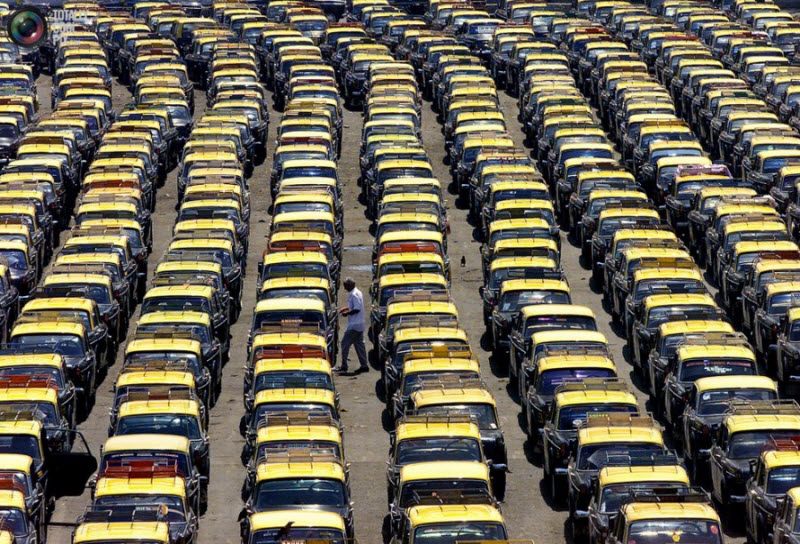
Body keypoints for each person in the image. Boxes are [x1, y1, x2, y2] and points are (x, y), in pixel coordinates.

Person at [337, 277, 369, 374]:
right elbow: (356, 306)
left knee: (344, 344)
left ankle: (344, 366)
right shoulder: (358, 292)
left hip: (355, 325)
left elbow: (357, 309)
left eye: (346, 286)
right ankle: (364, 365)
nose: (345, 288)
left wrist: (347, 313)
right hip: (360, 324)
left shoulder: (354, 294)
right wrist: (347, 308)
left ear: (350, 285)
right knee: (359, 345)